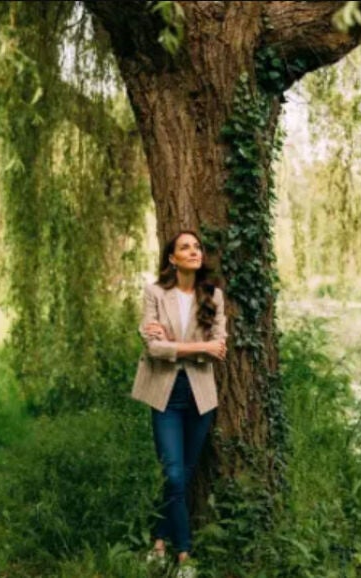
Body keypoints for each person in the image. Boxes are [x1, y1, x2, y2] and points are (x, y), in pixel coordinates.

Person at [132, 230, 227, 574]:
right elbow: (154, 348)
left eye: (197, 247)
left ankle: (159, 541)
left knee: (182, 476)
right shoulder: (155, 293)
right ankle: (185, 555)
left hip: (200, 395)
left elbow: (220, 346)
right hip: (165, 393)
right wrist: (199, 347)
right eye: (185, 247)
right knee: (172, 474)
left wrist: (177, 345)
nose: (194, 251)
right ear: (172, 258)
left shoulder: (213, 295)